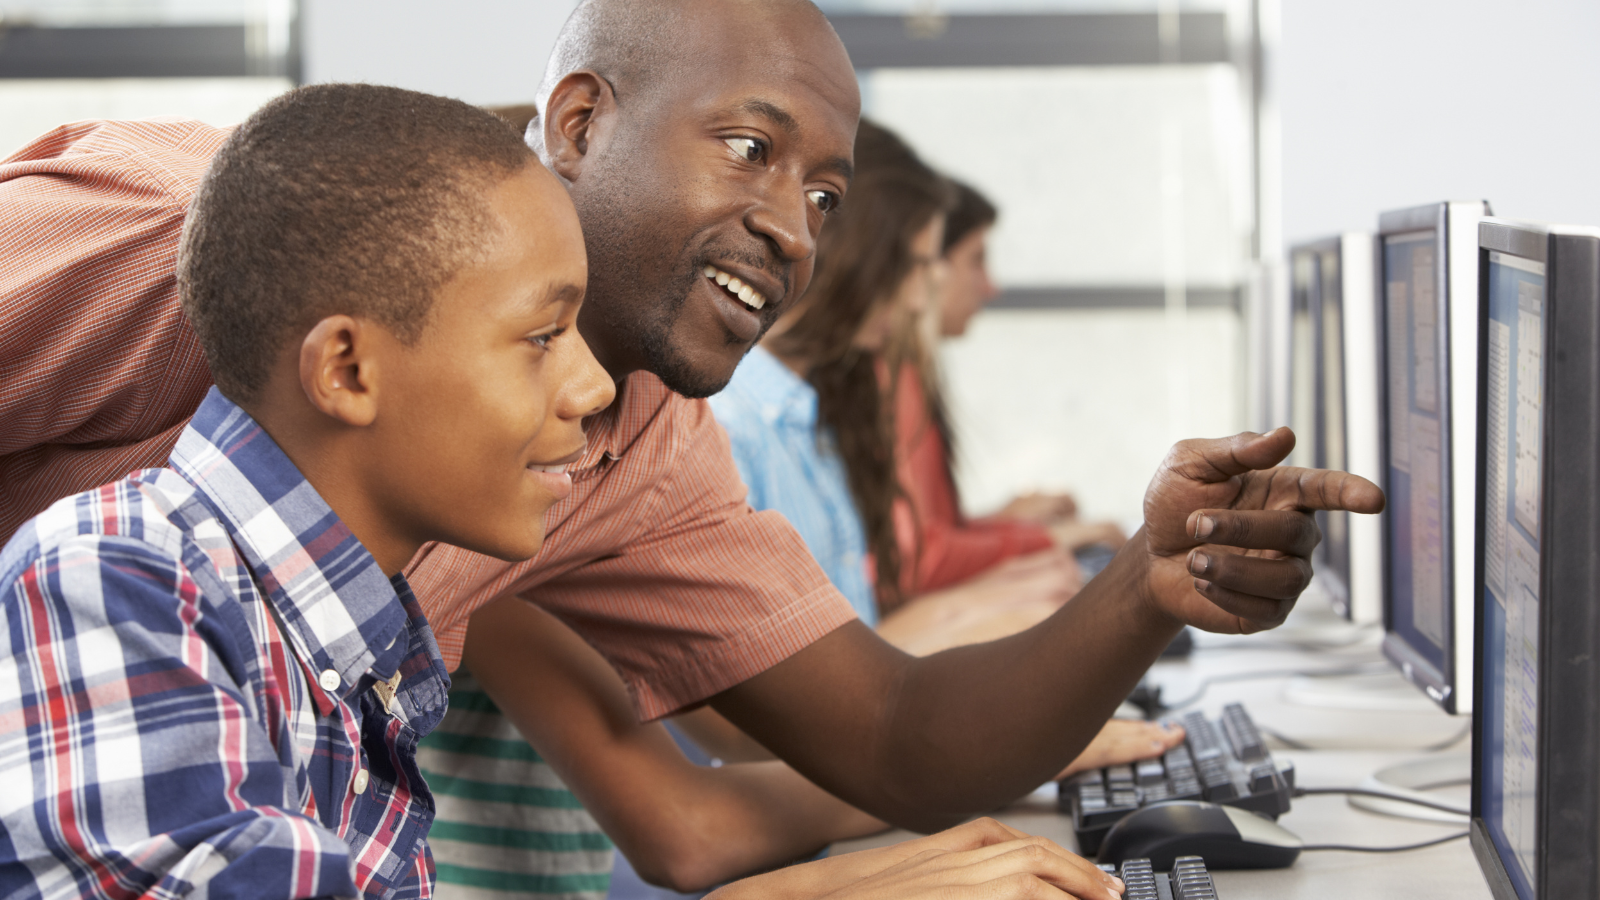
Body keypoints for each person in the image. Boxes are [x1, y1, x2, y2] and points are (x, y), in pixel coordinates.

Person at [0, 1, 1382, 896]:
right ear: (584, 121)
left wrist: (1146, 584)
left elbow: (899, 738)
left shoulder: (632, 450)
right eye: (747, 147)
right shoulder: (197, 228)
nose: (795, 229)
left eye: (827, 195)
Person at [0, 83, 614, 898]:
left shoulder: (361, 656)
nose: (594, 387)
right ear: (347, 371)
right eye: (543, 337)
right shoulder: (114, 581)